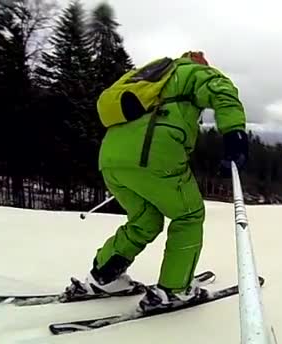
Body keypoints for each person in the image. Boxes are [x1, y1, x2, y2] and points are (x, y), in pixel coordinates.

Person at [63, 51, 249, 312]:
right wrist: (234, 134)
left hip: (111, 160)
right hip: (152, 156)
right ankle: (174, 290)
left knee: (144, 221)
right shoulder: (190, 71)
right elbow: (221, 89)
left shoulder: (146, 79)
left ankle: (103, 277)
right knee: (188, 215)